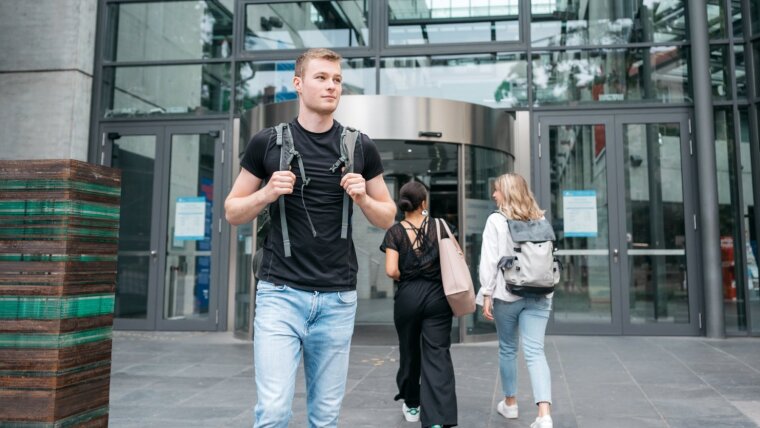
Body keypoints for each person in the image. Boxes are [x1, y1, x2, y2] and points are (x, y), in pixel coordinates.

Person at [225, 48, 396, 428]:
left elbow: (388, 216)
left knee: (325, 416)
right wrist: (267, 192)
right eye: (321, 78)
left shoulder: (359, 146)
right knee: (272, 412)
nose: (331, 86)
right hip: (279, 295)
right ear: (298, 84)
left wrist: (363, 197)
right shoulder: (267, 143)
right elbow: (232, 210)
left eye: (337, 80)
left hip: (337, 297)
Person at [476, 173, 554, 428]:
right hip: (541, 292)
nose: (494, 195)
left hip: (507, 294)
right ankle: (544, 415)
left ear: (507, 193)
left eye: (497, 190)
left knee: (508, 348)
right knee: (535, 351)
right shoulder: (541, 218)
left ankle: (510, 404)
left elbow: (489, 260)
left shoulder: (496, 220)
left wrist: (486, 293)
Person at [380, 181, 458, 428]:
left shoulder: (395, 232)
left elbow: (391, 270)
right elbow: (458, 258)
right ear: (423, 203)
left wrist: (409, 277)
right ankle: (438, 419)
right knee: (438, 354)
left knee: (410, 351)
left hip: (408, 297)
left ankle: (412, 404)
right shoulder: (440, 226)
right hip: (437, 297)